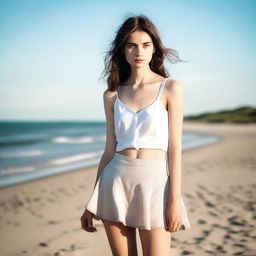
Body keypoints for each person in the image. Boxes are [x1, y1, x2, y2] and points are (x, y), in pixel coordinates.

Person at [80, 14, 191, 256]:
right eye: (132, 45)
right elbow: (109, 150)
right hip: (115, 182)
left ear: (154, 48)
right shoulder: (112, 95)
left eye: (145, 45)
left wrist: (174, 199)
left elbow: (174, 148)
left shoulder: (170, 88)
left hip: (156, 184)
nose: (138, 51)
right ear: (123, 49)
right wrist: (92, 201)